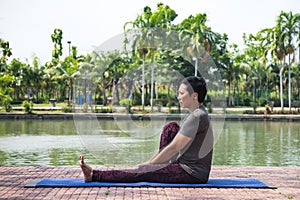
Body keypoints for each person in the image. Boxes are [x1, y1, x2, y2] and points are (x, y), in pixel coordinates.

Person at [80, 76, 214, 183]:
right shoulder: (197, 113)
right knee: (171, 127)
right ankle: (160, 167)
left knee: (142, 171)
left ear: (194, 96)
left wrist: (150, 165)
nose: (178, 97)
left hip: (192, 173)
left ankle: (94, 175)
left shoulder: (197, 116)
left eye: (181, 93)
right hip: (185, 166)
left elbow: (174, 148)